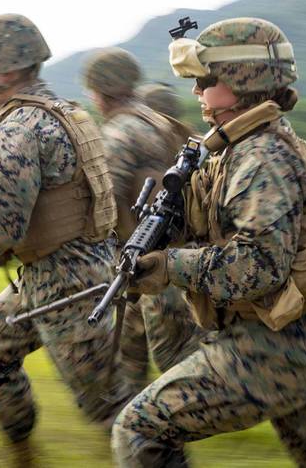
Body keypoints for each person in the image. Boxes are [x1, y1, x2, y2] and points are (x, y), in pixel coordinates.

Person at [111, 17, 306, 467]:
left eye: (207, 81)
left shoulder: (260, 157)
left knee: (139, 431)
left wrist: (170, 267)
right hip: (304, 342)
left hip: (276, 349)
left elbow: (256, 266)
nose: (196, 92)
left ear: (241, 81)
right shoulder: (240, 147)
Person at [0, 14, 128, 465]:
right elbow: (53, 192)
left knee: (117, 414)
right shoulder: (65, 112)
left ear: (4, 71)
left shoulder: (19, 128)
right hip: (61, 274)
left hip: (67, 286)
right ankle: (24, 457)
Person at [83, 48, 205, 400]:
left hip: (148, 260)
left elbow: (101, 203)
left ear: (98, 91)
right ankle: (132, 413)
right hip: (181, 254)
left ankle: (152, 430)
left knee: (176, 362)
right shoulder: (163, 123)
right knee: (134, 343)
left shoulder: (120, 131)